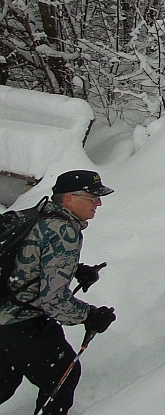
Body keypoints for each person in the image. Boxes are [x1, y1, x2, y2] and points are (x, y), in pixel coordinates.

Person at [0, 170, 116, 415]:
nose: (99, 203)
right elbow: (53, 301)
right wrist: (90, 316)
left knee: (5, 382)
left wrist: (75, 270)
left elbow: (28, 259)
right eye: (92, 197)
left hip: (4, 312)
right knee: (62, 375)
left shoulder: (42, 213)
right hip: (21, 321)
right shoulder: (65, 232)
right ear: (69, 199)